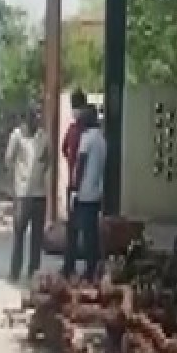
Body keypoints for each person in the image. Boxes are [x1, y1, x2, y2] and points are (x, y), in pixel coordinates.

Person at [3, 104, 49, 282]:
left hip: (39, 194)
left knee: (37, 237)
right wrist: (15, 182)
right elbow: (8, 160)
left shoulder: (43, 137)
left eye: (36, 116)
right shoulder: (17, 136)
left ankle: (34, 271)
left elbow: (48, 159)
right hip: (22, 193)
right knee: (19, 234)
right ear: (25, 119)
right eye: (32, 116)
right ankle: (15, 271)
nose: (34, 120)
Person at [63, 103, 107, 280]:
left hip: (83, 193)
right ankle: (92, 268)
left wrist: (74, 188)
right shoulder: (102, 140)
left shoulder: (87, 139)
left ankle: (70, 268)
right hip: (96, 192)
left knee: (73, 231)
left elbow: (80, 164)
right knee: (92, 234)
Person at [61, 88, 88, 216]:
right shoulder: (75, 129)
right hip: (78, 181)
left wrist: (71, 159)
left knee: (74, 216)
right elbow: (64, 148)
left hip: (79, 181)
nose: (75, 110)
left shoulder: (81, 131)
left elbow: (64, 149)